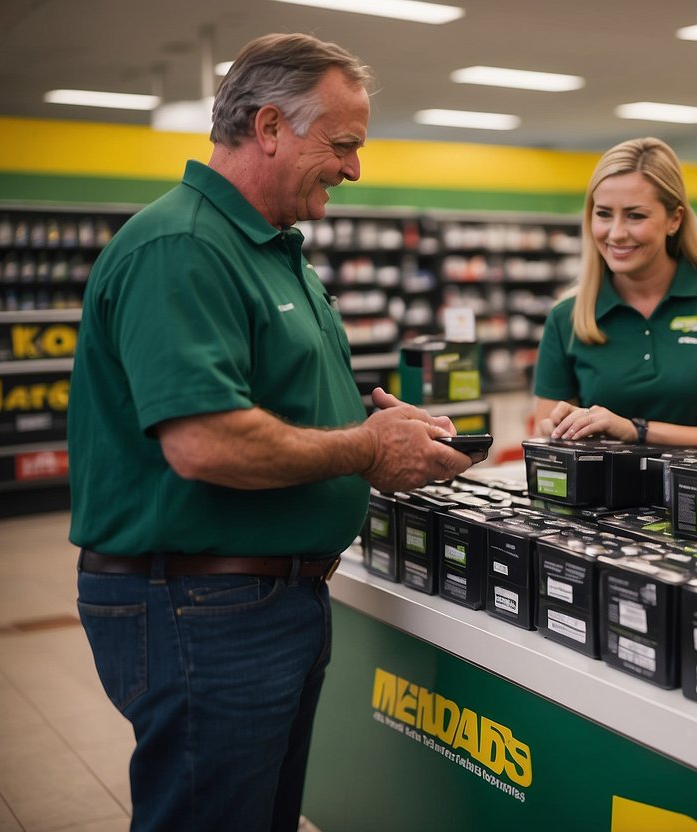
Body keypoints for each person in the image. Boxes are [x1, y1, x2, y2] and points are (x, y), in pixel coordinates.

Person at [67, 33, 471, 832]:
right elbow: (206, 442)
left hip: (256, 599)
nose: (354, 168)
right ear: (269, 127)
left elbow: (266, 406)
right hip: (201, 603)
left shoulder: (273, 251)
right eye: (343, 144)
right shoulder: (183, 247)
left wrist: (370, 423)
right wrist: (365, 449)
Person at [533, 137, 697, 448]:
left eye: (635, 215)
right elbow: (542, 437)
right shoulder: (567, 315)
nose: (616, 233)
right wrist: (555, 429)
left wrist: (636, 430)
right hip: (602, 495)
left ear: (674, 219)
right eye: (604, 214)